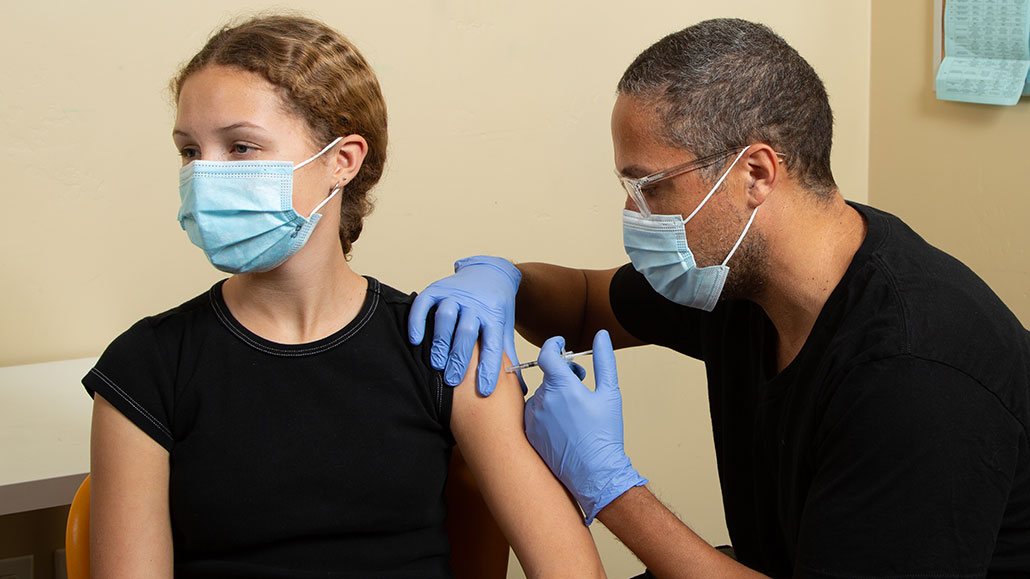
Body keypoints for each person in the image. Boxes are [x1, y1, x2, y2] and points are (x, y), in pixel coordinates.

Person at [409, 18, 1030, 578]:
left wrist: (608, 484)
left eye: (648, 186)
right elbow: (581, 304)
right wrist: (501, 278)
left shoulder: (916, 371)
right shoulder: (738, 275)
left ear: (756, 173)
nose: (632, 212)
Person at [83, 15, 605, 578]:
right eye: (190, 151)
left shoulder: (447, 347)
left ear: (342, 160)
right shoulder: (147, 368)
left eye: (240, 147)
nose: (206, 175)